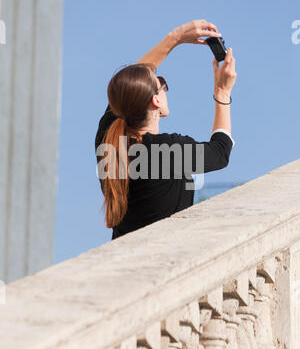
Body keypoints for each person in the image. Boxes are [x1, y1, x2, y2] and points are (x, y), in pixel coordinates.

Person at [95, 19, 237, 240]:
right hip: (164, 266)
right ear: (156, 101)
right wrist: (222, 93)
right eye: (161, 82)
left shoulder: (109, 140)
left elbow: (128, 86)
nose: (164, 86)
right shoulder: (170, 150)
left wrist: (175, 38)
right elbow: (221, 152)